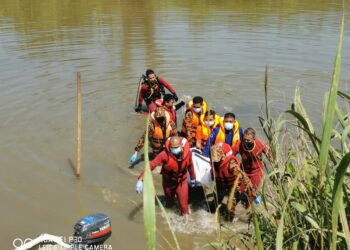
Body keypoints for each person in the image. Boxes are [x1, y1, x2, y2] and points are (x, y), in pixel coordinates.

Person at [135, 136, 196, 217]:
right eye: (172, 148)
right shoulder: (164, 155)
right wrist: (141, 179)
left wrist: (193, 178)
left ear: (181, 146)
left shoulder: (188, 153)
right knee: (169, 204)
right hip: (168, 182)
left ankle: (187, 221)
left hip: (182, 181)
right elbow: (151, 165)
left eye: (176, 148)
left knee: (183, 205)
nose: (174, 150)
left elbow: (190, 166)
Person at [210, 143, 257, 220]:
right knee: (214, 203)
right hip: (220, 183)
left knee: (230, 208)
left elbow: (243, 177)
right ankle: (211, 214)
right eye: (213, 158)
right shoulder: (214, 160)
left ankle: (230, 222)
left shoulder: (231, 164)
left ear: (222, 156)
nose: (215, 160)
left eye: (216, 158)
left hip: (233, 186)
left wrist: (251, 189)